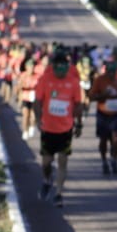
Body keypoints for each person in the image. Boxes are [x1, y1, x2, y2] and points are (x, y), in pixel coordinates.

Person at [32, 47, 85, 208]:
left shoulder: (73, 82)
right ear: (53, 66)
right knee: (46, 162)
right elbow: (37, 101)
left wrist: (79, 123)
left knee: (63, 161)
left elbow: (78, 104)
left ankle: (59, 193)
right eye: (58, 66)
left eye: (64, 66)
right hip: (48, 128)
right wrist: (38, 118)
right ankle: (47, 180)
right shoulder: (45, 80)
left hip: (65, 129)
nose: (61, 70)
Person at [87, 55, 117, 176]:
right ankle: (104, 160)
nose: (112, 74)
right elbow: (91, 97)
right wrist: (103, 95)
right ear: (106, 71)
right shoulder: (100, 80)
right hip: (103, 114)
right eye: (110, 71)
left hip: (116, 114)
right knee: (103, 139)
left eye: (114, 72)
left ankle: (113, 158)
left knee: (116, 139)